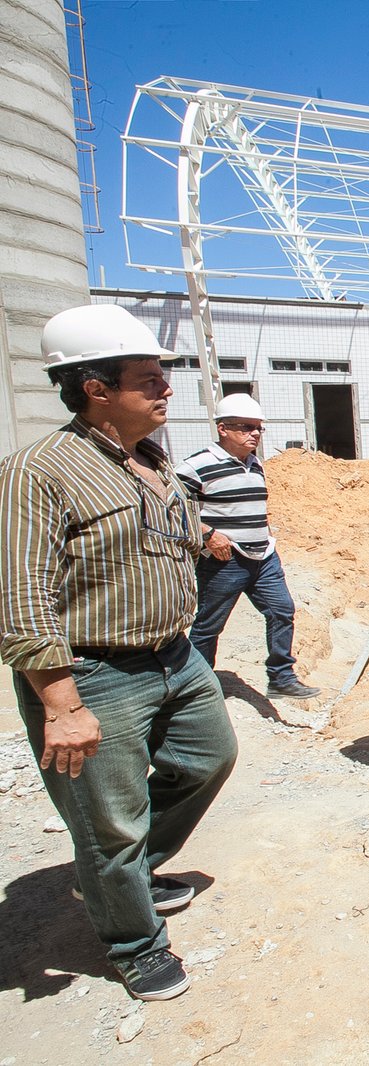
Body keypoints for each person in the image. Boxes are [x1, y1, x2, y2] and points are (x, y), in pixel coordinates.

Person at [0, 304, 238, 1001]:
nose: (165, 389)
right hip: (95, 672)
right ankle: (133, 943)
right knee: (108, 821)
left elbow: (162, 531)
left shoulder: (153, 461)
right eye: (147, 379)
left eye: (162, 376)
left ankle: (121, 876)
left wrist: (203, 539)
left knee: (207, 758)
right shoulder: (38, 472)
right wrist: (61, 705)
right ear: (95, 388)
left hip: (174, 656)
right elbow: (20, 599)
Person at [176, 393, 320, 699]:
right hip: (224, 560)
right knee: (209, 625)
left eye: (258, 428)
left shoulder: (255, 464)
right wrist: (207, 534)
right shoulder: (197, 465)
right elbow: (170, 509)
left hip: (264, 556)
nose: (254, 433)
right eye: (246, 427)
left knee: (282, 610)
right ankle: (196, 687)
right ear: (223, 429)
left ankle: (281, 676)